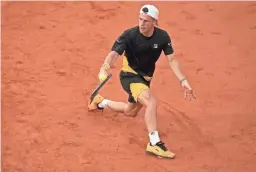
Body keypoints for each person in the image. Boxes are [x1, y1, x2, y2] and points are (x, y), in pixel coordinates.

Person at [88, 4, 196, 159]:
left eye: (146, 20)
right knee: (150, 102)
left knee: (129, 112)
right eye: (140, 19)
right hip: (129, 76)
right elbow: (114, 54)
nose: (141, 23)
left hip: (145, 79)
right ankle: (154, 143)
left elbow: (172, 60)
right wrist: (104, 67)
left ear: (154, 22)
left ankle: (100, 102)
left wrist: (183, 80)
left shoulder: (163, 37)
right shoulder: (129, 35)